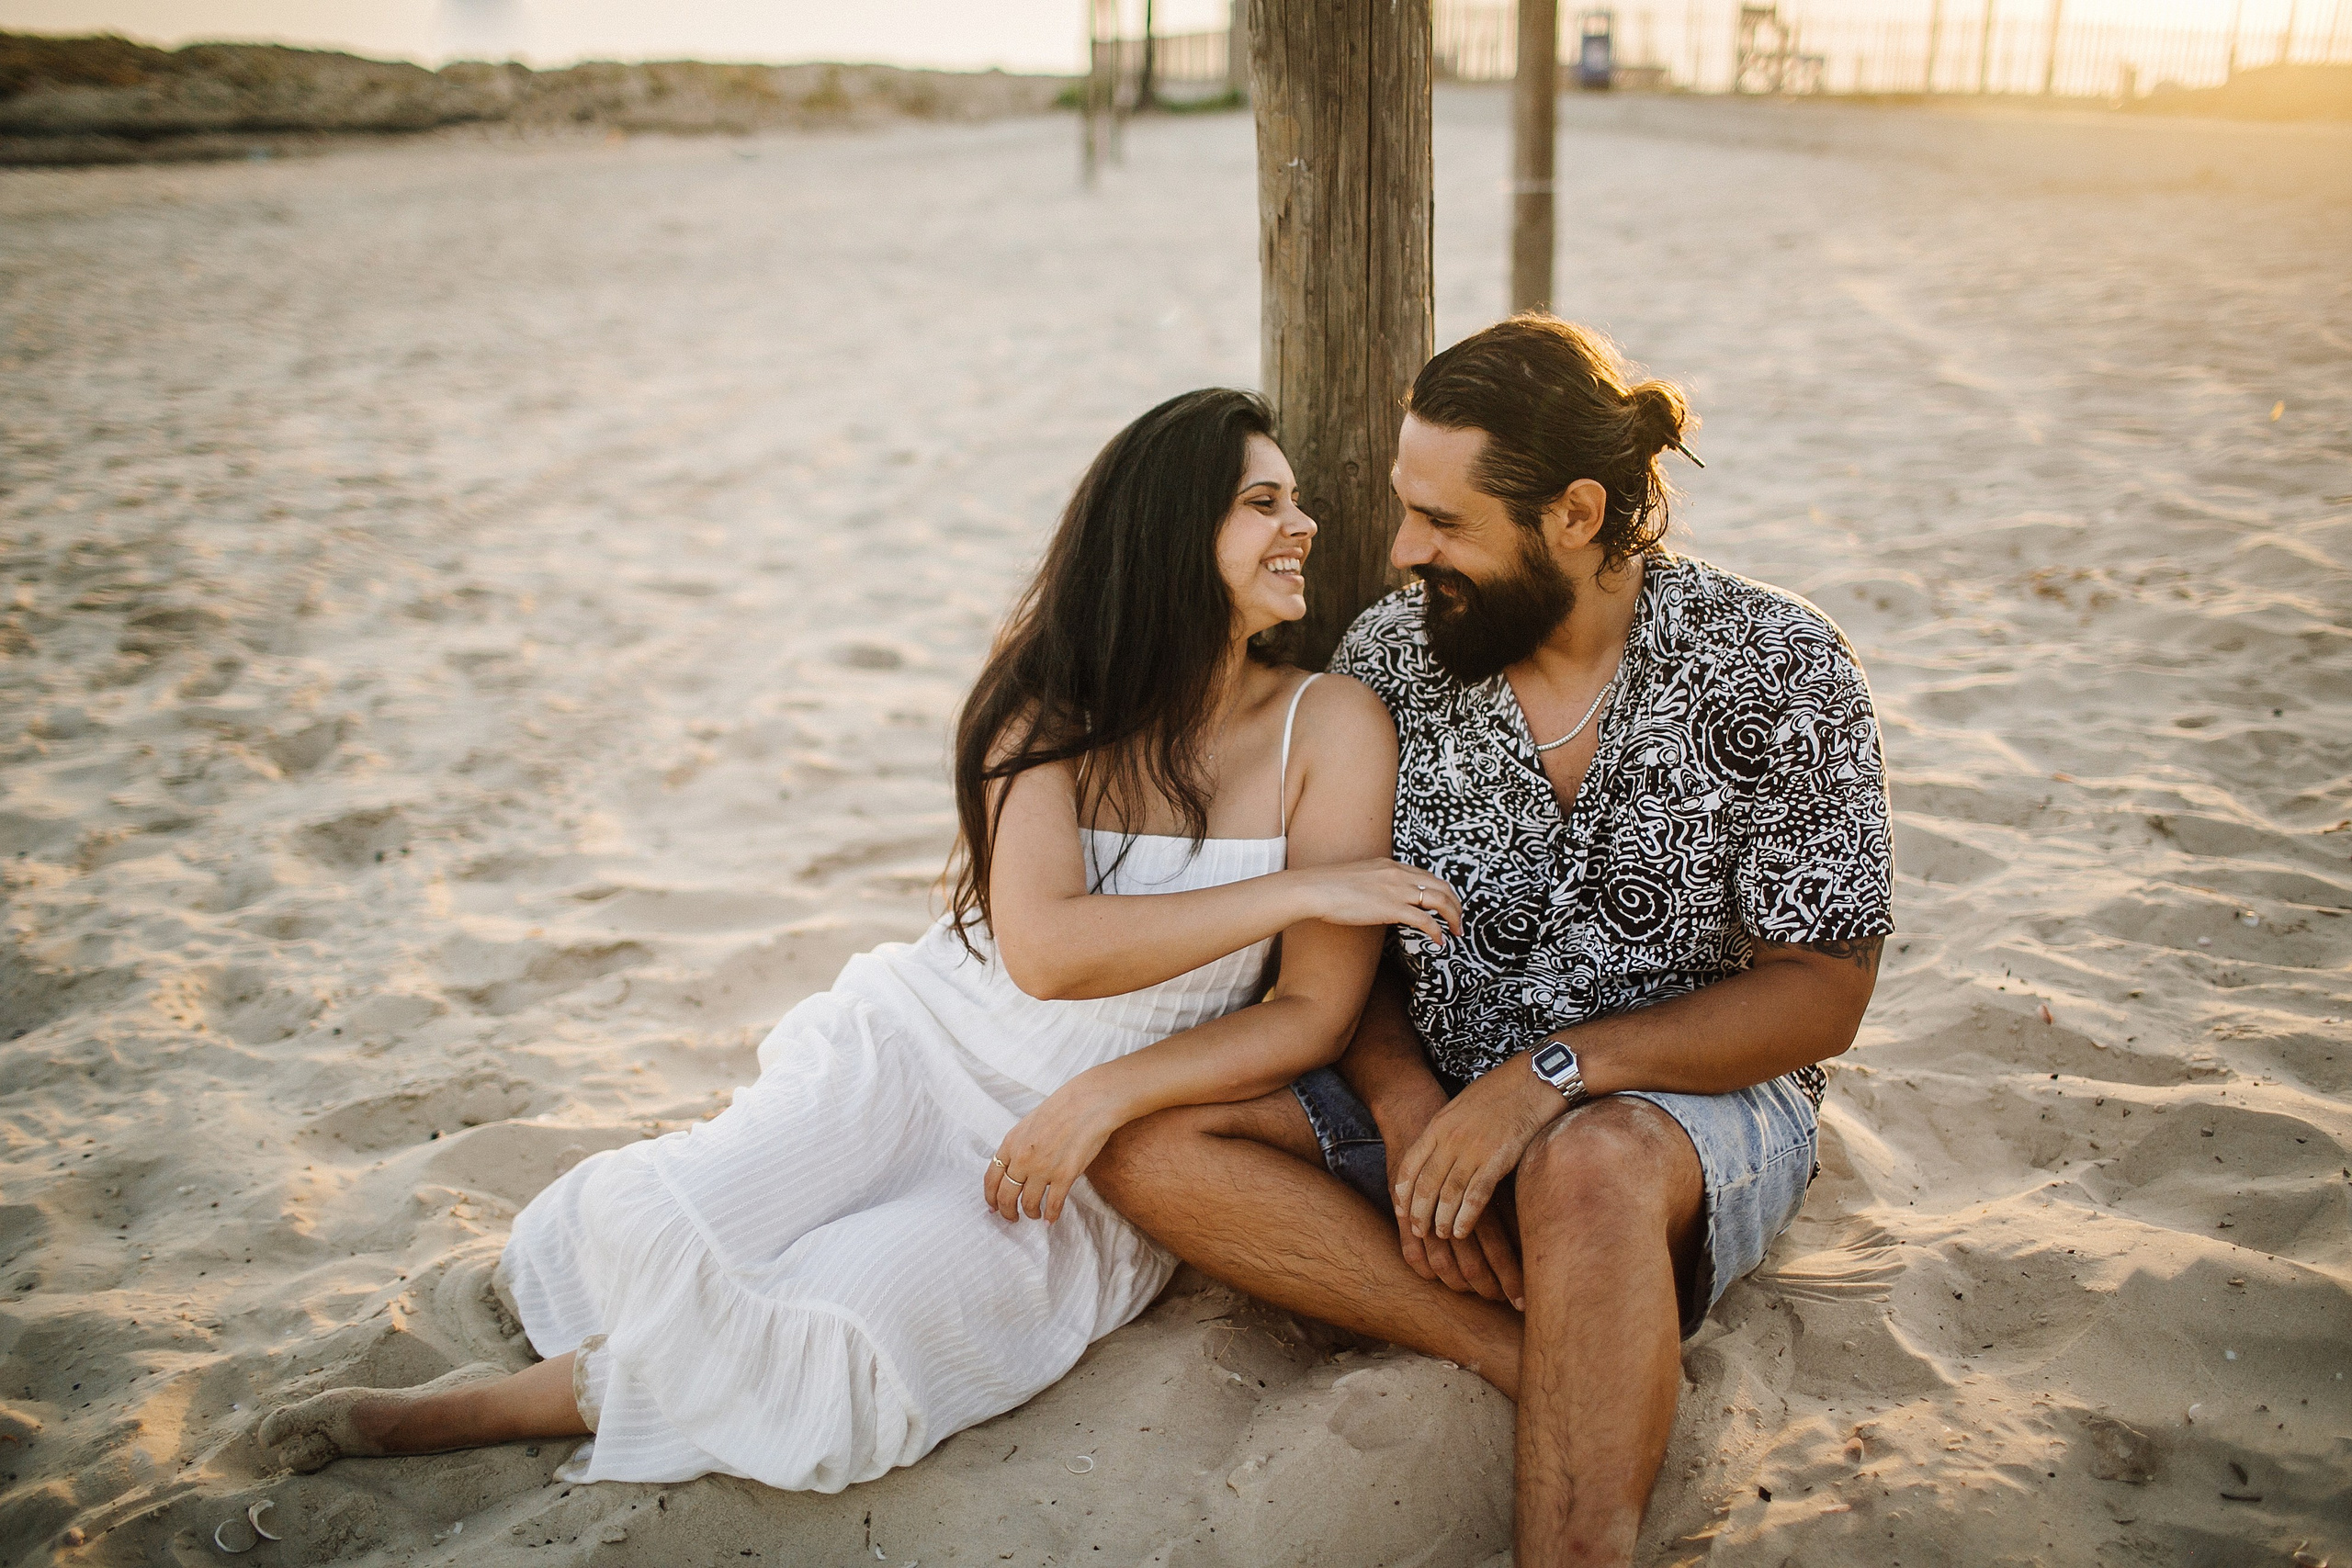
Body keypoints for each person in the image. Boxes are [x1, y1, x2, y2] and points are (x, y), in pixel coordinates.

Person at [257, 388, 1458, 1492]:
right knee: (674, 1218)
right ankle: (538, 1379)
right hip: (917, 1042)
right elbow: (1046, 950)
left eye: (1294, 501)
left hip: (1079, 1139)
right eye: (1264, 503)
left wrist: (1105, 1099)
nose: (1302, 525)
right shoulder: (1048, 705)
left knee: (854, 1327)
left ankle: (470, 1415)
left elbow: (1313, 1016)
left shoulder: (1330, 723)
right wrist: (1302, 891)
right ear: (1165, 533)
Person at [1090, 317, 1894, 1568]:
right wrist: (1413, 1108)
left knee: (1589, 1170)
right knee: (1154, 1145)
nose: (1406, 551)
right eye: (1407, 512)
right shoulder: (1389, 665)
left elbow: (1823, 993)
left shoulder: (1779, 665)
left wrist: (1549, 1081)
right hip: (1445, 1082)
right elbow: (1341, 945)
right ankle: (1520, 1350)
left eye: (1445, 522)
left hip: (1678, 1112)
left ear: (1577, 514)